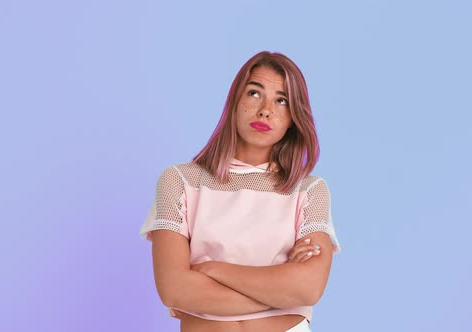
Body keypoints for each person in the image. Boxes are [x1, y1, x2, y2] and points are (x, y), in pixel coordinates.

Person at [140, 51, 340, 332]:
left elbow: (308, 289)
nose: (265, 110)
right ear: (235, 101)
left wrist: (213, 270)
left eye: (281, 100)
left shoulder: (309, 191)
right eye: (254, 93)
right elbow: (174, 289)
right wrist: (279, 290)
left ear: (294, 117)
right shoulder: (180, 181)